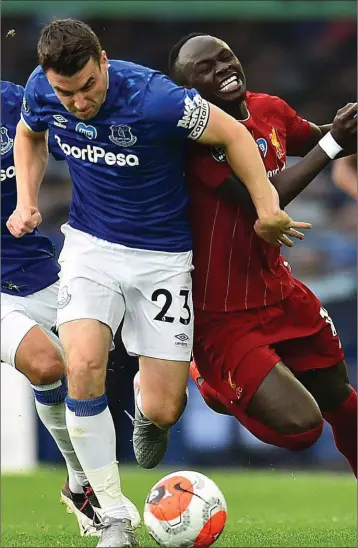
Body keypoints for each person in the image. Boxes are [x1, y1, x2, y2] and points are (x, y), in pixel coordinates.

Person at [6, 20, 309, 548]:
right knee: (80, 365)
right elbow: (30, 134)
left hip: (163, 259)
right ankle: (113, 521)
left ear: (103, 61)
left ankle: (148, 403)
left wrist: (266, 206)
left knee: (166, 409)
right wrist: (26, 201)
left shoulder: (157, 99)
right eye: (65, 93)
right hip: (90, 248)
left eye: (86, 88)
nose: (77, 103)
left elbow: (233, 133)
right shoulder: (40, 90)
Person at [168, 33, 357, 476]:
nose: (223, 69)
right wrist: (333, 147)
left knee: (343, 402)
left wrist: (345, 133)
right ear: (188, 91)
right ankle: (208, 381)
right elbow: (264, 199)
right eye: (206, 69)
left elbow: (321, 139)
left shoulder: (269, 109)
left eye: (226, 58)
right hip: (223, 314)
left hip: (281, 292)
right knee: (303, 429)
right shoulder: (196, 141)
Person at [1, 80, 140, 540]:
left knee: (97, 354)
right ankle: (92, 488)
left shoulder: (15, 101)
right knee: (47, 364)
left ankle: (80, 483)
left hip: (35, 266)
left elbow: (70, 141)